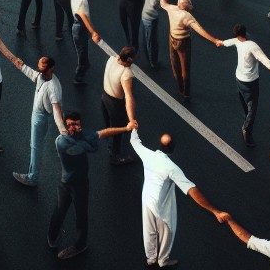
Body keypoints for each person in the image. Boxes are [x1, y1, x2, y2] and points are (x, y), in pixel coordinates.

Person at [128, 128, 229, 268]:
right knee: (168, 232)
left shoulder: (148, 155)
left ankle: (151, 258)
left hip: (146, 200)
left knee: (149, 230)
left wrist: (133, 127)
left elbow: (134, 141)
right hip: (160, 206)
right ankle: (163, 260)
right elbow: (192, 191)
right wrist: (214, 211)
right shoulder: (172, 168)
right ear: (172, 148)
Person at [47, 109, 135, 260]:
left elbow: (104, 132)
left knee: (79, 215)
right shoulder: (62, 143)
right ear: (65, 125)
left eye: (77, 124)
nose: (74, 127)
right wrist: (89, 141)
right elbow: (90, 145)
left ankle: (77, 244)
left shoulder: (74, 137)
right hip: (71, 184)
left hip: (75, 183)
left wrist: (126, 128)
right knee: (63, 212)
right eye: (71, 124)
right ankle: (54, 236)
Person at [0, 38, 66, 188]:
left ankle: (32, 178)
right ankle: (32, 175)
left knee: (36, 147)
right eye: (39, 69)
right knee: (35, 145)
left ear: (51, 68)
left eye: (43, 70)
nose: (40, 73)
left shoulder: (53, 87)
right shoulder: (42, 76)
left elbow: (57, 111)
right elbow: (29, 71)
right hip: (37, 114)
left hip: (41, 117)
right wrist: (10, 55)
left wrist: (63, 132)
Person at [220, 24, 270, 148]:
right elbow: (262, 58)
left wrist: (220, 42)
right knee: (252, 107)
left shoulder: (236, 41)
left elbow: (226, 42)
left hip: (239, 78)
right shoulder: (252, 46)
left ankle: (246, 120)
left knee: (245, 102)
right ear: (245, 32)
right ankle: (247, 130)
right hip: (250, 81)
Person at [159, 0, 221, 99]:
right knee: (185, 69)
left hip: (172, 39)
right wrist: (215, 40)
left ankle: (180, 88)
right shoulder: (187, 16)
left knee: (175, 65)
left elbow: (163, 4)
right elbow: (200, 30)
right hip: (183, 42)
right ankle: (186, 93)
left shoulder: (172, 8)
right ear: (187, 6)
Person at [101, 46, 137, 163]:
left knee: (109, 124)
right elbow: (128, 96)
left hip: (104, 97)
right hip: (115, 103)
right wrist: (131, 119)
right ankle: (115, 155)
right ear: (129, 59)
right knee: (118, 128)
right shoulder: (126, 73)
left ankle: (109, 142)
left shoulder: (111, 59)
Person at [70, 0, 100, 85]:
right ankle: (78, 77)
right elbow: (82, 15)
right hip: (80, 28)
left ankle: (81, 70)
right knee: (82, 55)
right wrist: (93, 32)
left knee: (81, 50)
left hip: (77, 27)